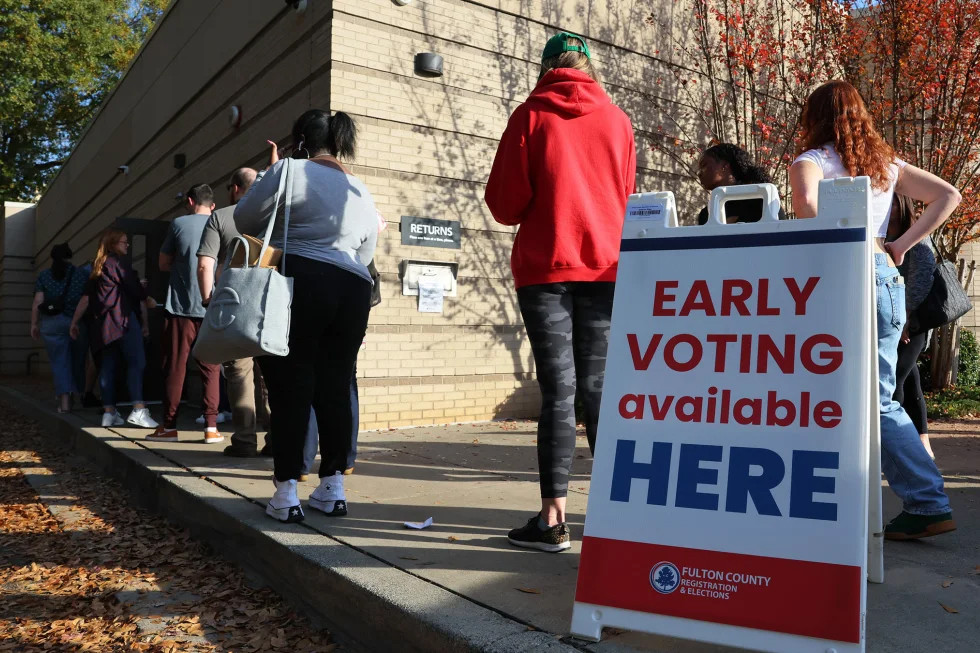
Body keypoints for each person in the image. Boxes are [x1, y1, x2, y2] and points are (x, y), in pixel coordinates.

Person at [485, 31, 636, 552]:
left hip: (547, 270)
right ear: (590, 68)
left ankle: (552, 520)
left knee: (560, 391)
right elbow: (625, 193)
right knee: (599, 392)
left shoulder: (530, 116)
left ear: (546, 67)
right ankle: (617, 518)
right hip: (605, 267)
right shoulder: (618, 121)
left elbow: (504, 204)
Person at [790, 80, 959, 540]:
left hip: (838, 281)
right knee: (870, 396)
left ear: (814, 117)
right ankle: (888, 497)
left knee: (856, 398)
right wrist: (899, 244)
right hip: (885, 277)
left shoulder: (812, 161)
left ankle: (926, 501)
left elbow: (805, 208)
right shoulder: (886, 165)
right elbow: (949, 195)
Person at [235, 109, 378, 523]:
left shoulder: (288, 171)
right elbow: (365, 253)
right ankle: (332, 487)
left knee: (291, 383)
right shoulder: (359, 188)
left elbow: (244, 219)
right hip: (352, 288)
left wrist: (272, 177)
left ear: (299, 141)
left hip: (302, 279)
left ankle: (286, 492)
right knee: (335, 384)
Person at [196, 167, 272, 457]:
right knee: (269, 373)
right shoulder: (271, 217)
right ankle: (276, 440)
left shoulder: (221, 216)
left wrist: (207, 301)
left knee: (239, 372)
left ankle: (244, 440)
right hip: (267, 304)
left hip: (233, 303)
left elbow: (205, 264)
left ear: (235, 188)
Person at [150, 184, 223, 444]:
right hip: (212, 306)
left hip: (181, 307)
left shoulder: (178, 223)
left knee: (176, 366)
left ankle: (169, 426)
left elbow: (162, 263)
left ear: (190, 201)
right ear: (212, 205)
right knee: (211, 368)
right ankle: (211, 427)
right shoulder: (222, 222)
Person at [69, 230, 158, 429]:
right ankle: (138, 409)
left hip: (102, 326)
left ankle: (109, 413)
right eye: (124, 242)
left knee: (107, 368)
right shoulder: (118, 262)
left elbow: (85, 299)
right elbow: (134, 289)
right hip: (123, 321)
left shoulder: (97, 268)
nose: (128, 245)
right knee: (137, 363)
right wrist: (147, 296)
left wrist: (74, 322)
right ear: (112, 244)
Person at [887, 194, 936, 460]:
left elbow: (922, 275)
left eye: (893, 201)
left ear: (903, 204)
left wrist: (904, 314)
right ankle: (923, 443)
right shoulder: (877, 232)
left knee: (893, 381)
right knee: (911, 379)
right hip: (888, 318)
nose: (888, 205)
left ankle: (898, 448)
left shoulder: (915, 233)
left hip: (912, 320)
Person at [31, 243, 87, 412]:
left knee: (60, 362)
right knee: (78, 361)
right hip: (76, 322)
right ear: (70, 256)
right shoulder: (81, 274)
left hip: (52, 323)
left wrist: (34, 323)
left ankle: (64, 403)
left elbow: (38, 302)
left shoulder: (44, 275)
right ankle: (75, 394)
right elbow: (86, 300)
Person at [695, 143, 785, 224]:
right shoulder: (707, 214)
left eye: (704, 165)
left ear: (725, 166)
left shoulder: (763, 202)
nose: (699, 173)